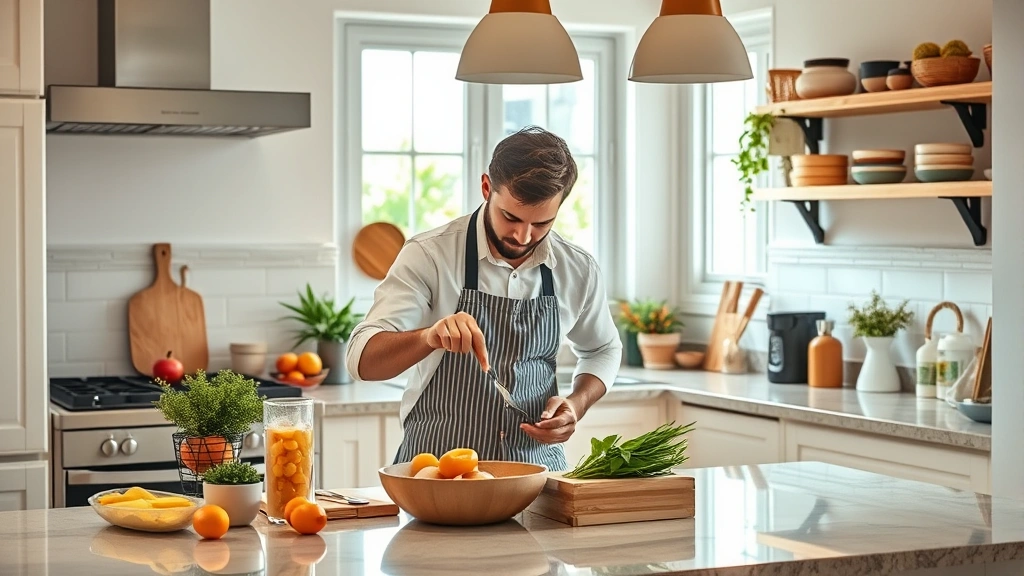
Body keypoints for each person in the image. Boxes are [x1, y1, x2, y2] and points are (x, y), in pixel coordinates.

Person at [345, 126, 622, 471]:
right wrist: (429, 336)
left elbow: (603, 349)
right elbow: (362, 360)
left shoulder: (577, 269)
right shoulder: (430, 255)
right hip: (438, 476)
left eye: (542, 223)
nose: (523, 236)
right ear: (487, 188)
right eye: (511, 217)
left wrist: (576, 403)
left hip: (535, 478)